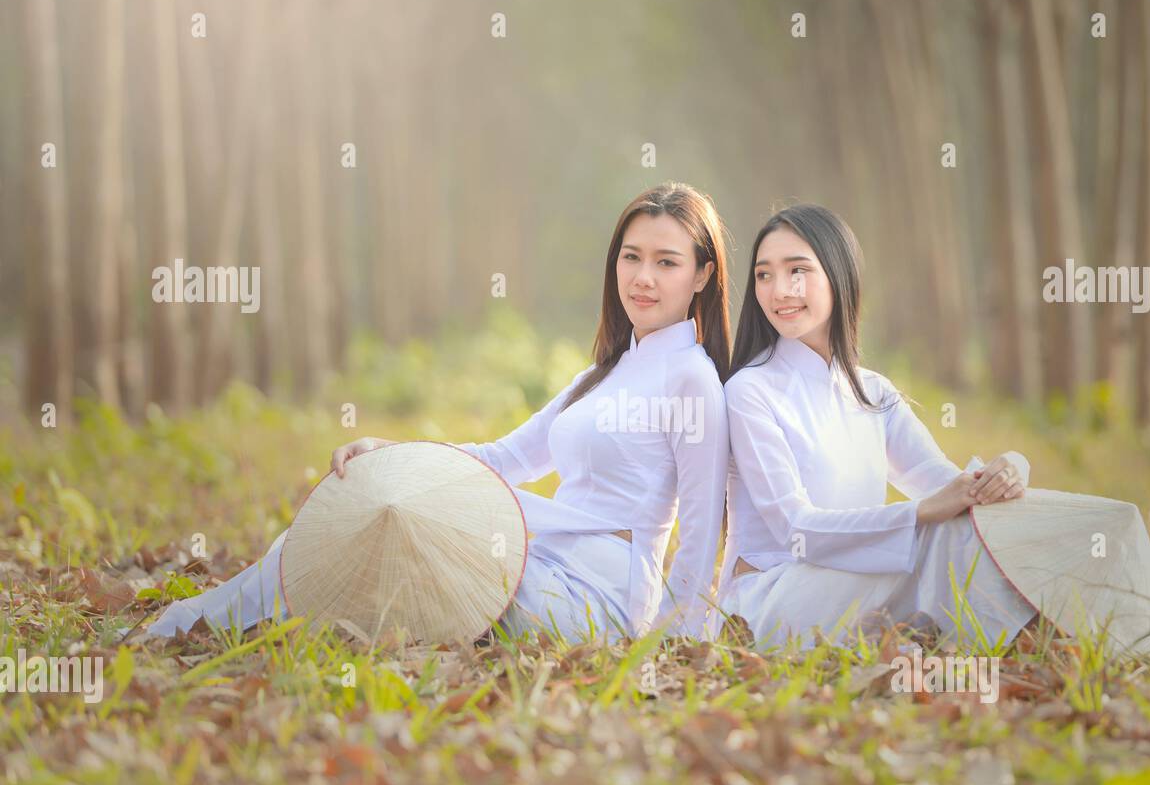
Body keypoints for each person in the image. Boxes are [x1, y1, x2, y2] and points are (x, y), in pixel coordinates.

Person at [135, 182, 732, 644]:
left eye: (667, 262)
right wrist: (391, 456)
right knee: (361, 516)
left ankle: (198, 626)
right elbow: (506, 458)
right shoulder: (601, 374)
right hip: (540, 558)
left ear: (703, 275)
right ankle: (199, 623)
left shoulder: (692, 378)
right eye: (631, 257)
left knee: (413, 538)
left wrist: (672, 643)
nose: (643, 278)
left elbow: (702, 525)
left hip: (597, 597)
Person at [717, 203, 1037, 651]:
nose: (779, 290)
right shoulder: (750, 390)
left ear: (839, 275)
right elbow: (797, 531)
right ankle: (1013, 639)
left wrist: (1013, 469)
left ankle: (1029, 635)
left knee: (971, 527)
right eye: (764, 275)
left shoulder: (873, 393)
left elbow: (951, 487)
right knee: (939, 540)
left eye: (797, 271)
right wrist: (921, 512)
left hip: (859, 584)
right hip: (776, 600)